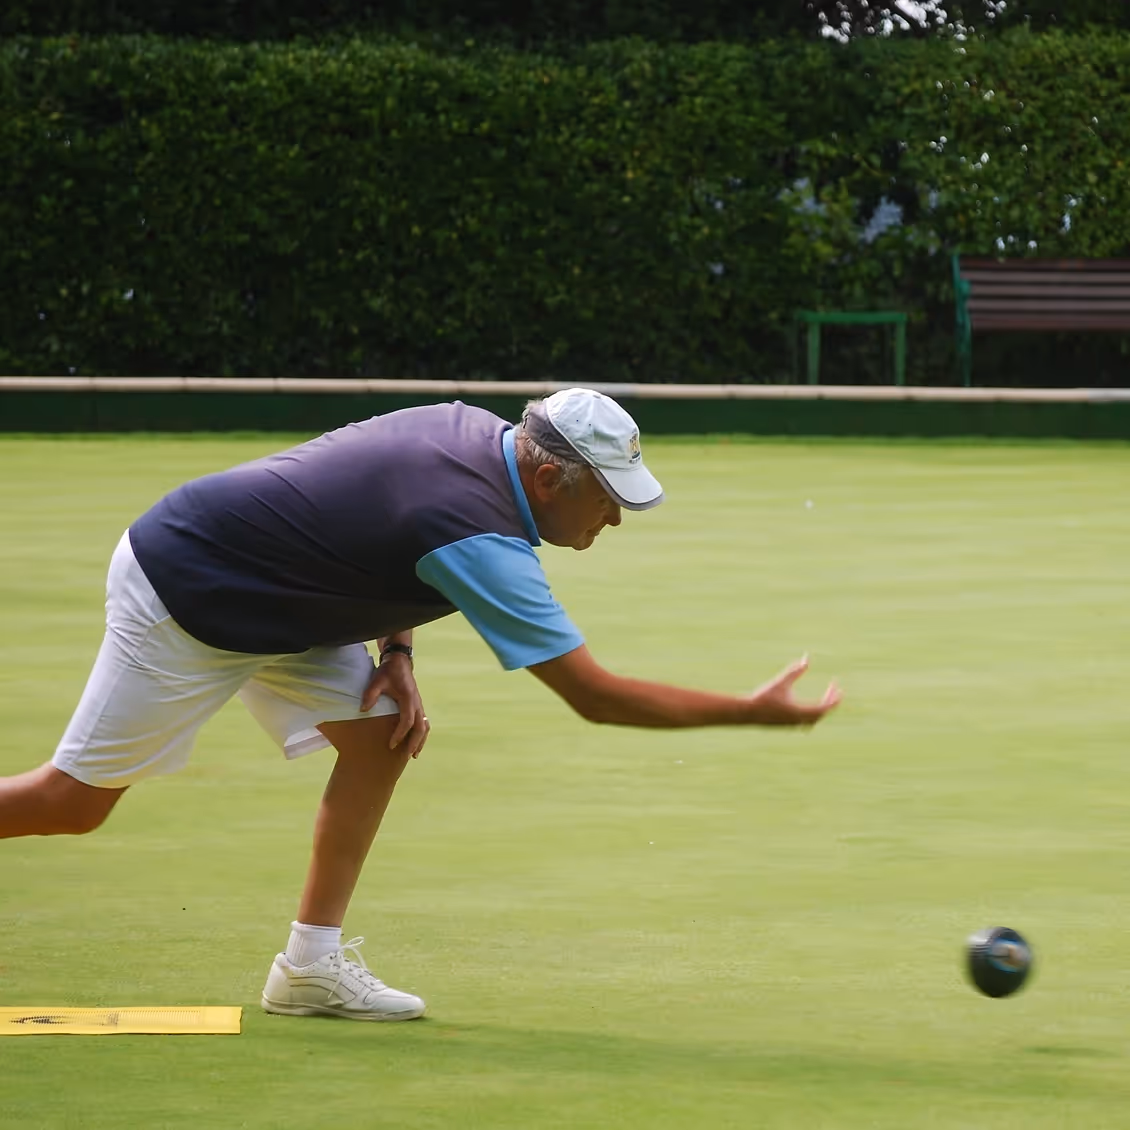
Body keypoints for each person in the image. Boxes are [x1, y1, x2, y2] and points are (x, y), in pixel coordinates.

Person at [0, 387, 841, 1021]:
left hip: (280, 593)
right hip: (191, 591)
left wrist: (396, 653)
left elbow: (376, 517)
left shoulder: (469, 429)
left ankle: (308, 969)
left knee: (383, 735)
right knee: (70, 805)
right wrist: (749, 710)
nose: (615, 519)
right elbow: (595, 696)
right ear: (548, 477)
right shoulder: (483, 535)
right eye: (607, 497)